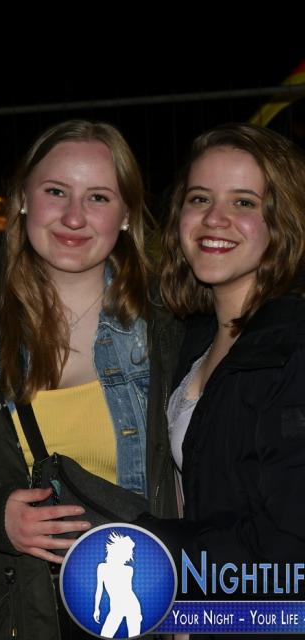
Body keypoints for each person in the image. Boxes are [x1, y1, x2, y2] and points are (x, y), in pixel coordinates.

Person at [0, 119, 154, 639]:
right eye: (55, 191)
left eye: (99, 197)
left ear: (127, 214)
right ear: (21, 199)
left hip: (146, 607)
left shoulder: (168, 330)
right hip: (8, 614)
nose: (74, 216)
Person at [147, 124, 305, 594]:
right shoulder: (190, 340)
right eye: (199, 198)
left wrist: (149, 544)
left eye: (244, 203)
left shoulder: (292, 352)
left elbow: (289, 550)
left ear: (283, 221)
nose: (215, 218)